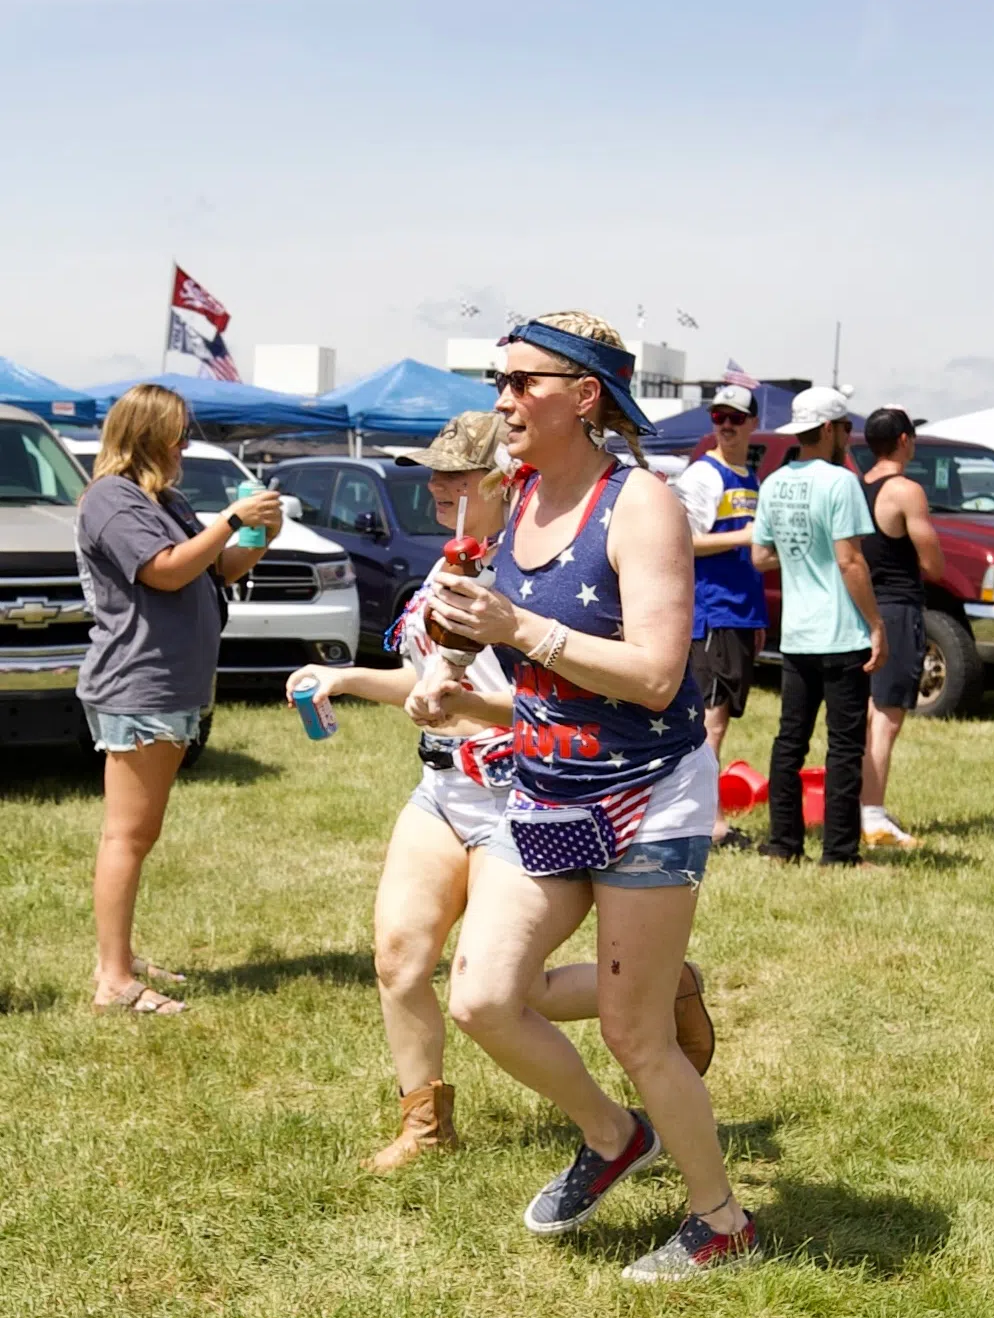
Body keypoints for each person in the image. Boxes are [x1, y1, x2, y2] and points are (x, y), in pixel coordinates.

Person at [419, 311, 751, 1283]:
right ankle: (613, 1137)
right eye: (498, 381)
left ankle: (721, 1222)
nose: (504, 400)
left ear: (584, 395)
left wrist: (518, 628)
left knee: (632, 1033)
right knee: (484, 997)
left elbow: (655, 675)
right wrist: (453, 682)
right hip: (548, 788)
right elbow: (501, 644)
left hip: (649, 793)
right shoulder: (512, 494)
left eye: (523, 382)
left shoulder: (639, 504)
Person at [288, 413, 714, 1169]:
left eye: (456, 475)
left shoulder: (533, 574)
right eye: (432, 472)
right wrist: (345, 678)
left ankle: (659, 997)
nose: (436, 486)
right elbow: (430, 679)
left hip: (517, 786)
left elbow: (560, 700)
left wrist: (474, 685)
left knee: (510, 990)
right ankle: (425, 1125)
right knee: (398, 956)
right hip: (442, 786)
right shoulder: (447, 568)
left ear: (506, 478)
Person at [76, 383, 281, 1015]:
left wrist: (259, 537)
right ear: (150, 437)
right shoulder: (111, 499)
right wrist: (231, 520)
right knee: (128, 836)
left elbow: (215, 570)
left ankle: (117, 957)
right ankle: (114, 980)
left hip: (167, 684)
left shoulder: (163, 499)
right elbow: (163, 570)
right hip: (138, 682)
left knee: (139, 833)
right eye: (178, 435)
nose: (185, 446)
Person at [750, 386, 886, 865]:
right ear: (829, 429)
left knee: (790, 741)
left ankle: (782, 843)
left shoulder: (773, 483)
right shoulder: (841, 482)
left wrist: (800, 557)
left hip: (797, 634)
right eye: (846, 428)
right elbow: (850, 561)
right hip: (842, 632)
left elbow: (760, 555)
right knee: (844, 746)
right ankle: (839, 852)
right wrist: (876, 623)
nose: (848, 436)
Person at [669, 385, 767, 847]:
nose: (725, 425)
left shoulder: (750, 477)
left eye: (735, 417)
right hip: (711, 611)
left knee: (720, 718)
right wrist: (744, 536)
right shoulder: (702, 476)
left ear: (752, 423)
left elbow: (753, 556)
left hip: (741, 613)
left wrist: (758, 617)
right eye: (718, 416)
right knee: (711, 721)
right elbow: (684, 542)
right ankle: (710, 823)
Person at [857, 407, 944, 848]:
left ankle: (858, 806)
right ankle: (872, 816)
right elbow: (933, 562)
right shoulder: (906, 491)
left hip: (859, 606)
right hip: (895, 609)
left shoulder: (856, 486)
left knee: (863, 714)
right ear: (905, 440)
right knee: (887, 717)